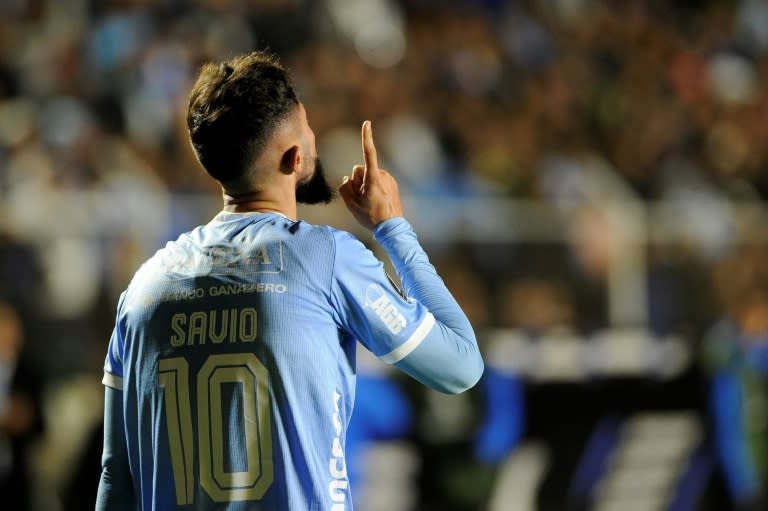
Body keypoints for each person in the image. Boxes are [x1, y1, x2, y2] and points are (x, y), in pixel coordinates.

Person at [96, 50, 484, 510]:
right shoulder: (326, 258)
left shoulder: (143, 289)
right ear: (295, 157)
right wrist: (393, 229)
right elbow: (461, 365)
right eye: (309, 130)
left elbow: (115, 478)